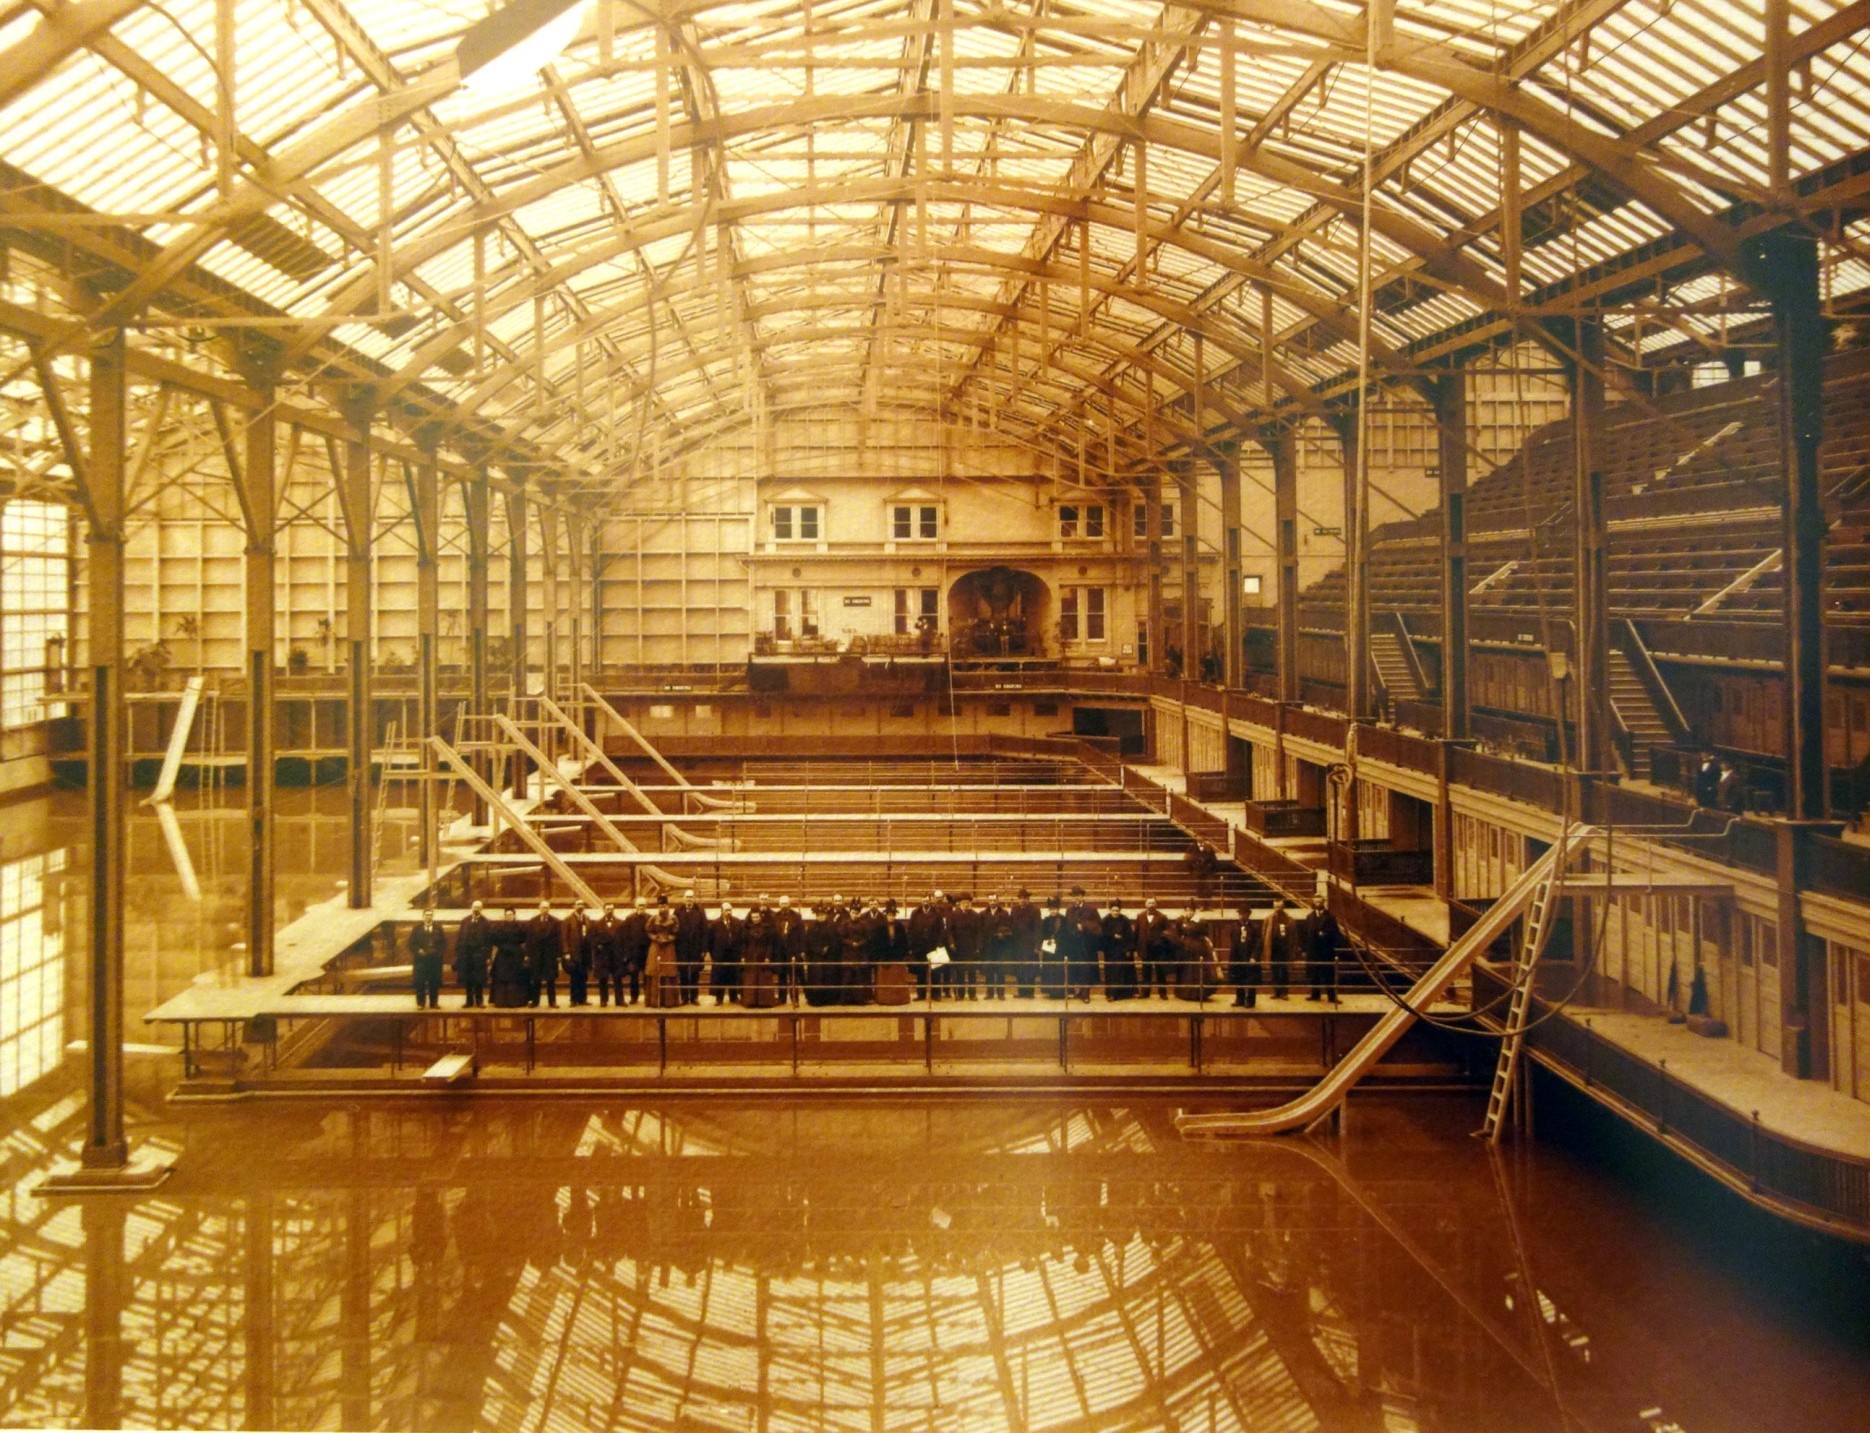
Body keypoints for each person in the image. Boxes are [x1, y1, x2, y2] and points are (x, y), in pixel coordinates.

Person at [908, 891, 950, 1001]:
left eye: (927, 900)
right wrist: (912, 946)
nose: (925, 902)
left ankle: (936, 994)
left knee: (935, 972)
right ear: (920, 901)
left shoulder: (937, 913)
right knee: (921, 972)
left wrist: (939, 944)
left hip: (933, 947)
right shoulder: (915, 913)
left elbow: (941, 931)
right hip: (919, 947)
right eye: (923, 900)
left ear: (930, 901)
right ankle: (921, 994)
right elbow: (910, 930)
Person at [490, 905, 530, 1007]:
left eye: (511, 914)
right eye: (507, 915)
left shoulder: (520, 927)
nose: (509, 916)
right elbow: (494, 939)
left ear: (514, 915)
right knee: (501, 977)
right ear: (504, 916)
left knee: (516, 977)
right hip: (502, 955)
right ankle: (501, 1001)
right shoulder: (499, 927)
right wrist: (503, 946)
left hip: (516, 955)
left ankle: (516, 1001)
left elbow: (525, 938)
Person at [525, 900, 562, 1008]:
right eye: (543, 907)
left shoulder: (555, 922)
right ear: (539, 908)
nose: (545, 909)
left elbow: (559, 939)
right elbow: (529, 939)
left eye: (547, 907)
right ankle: (535, 1001)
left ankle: (552, 1002)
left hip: (550, 956)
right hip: (536, 955)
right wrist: (527, 954)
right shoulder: (532, 922)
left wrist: (559, 955)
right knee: (536, 979)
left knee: (551, 980)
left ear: (549, 908)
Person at [1065, 888, 1102, 999]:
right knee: (1075, 969)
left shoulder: (1091, 909)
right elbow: (1067, 926)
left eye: (1079, 895)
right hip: (1074, 945)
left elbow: (1098, 926)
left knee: (1086, 969)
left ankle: (1086, 995)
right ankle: (1079, 992)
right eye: (1074, 896)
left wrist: (1084, 926)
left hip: (1086, 945)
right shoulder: (1069, 910)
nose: (1076, 898)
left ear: (1082, 896)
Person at [674, 888, 709, 1005]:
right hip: (682, 949)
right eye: (687, 897)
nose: (689, 899)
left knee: (695, 974)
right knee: (683, 973)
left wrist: (704, 949)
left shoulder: (700, 911)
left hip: (696, 948)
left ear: (694, 898)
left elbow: (705, 931)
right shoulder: (678, 911)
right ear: (684, 899)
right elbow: (674, 929)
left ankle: (694, 997)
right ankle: (684, 998)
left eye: (691, 897)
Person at [454, 900, 491, 1008]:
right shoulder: (465, 921)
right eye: (474, 906)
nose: (476, 909)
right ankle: (469, 1001)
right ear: (471, 907)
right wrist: (459, 954)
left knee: (479, 979)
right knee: (468, 979)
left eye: (478, 907)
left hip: (479, 956)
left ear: (481, 909)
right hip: (467, 956)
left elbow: (489, 941)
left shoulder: (486, 923)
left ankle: (479, 1001)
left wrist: (487, 956)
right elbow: (460, 938)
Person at [708, 900, 745, 1005]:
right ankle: (719, 998)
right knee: (720, 977)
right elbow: (710, 942)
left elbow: (742, 939)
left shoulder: (737, 922)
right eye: (726, 910)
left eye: (729, 910)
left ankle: (733, 997)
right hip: (720, 955)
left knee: (733, 976)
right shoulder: (715, 924)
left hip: (734, 954)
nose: (728, 912)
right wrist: (714, 955)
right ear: (721, 911)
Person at [408, 908, 447, 1009]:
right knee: (420, 982)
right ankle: (420, 1003)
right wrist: (418, 950)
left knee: (434, 982)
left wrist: (438, 953)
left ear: (432, 916)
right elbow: (411, 944)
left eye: (430, 915)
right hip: (421, 961)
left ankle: (434, 1003)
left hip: (434, 961)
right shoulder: (417, 929)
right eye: (426, 915)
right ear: (423, 916)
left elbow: (444, 943)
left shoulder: (438, 928)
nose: (428, 917)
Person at [1137, 898, 1175, 1000]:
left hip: (1159, 949)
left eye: (1153, 903)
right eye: (1149, 903)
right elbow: (1137, 933)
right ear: (1145, 904)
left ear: (1156, 904)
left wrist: (1162, 943)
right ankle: (1145, 993)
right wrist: (1138, 948)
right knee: (1145, 972)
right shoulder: (1140, 916)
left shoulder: (1162, 917)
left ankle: (1163, 993)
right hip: (1145, 949)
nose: (1151, 905)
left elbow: (1169, 932)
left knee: (1160, 972)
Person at [645, 893, 679, 1003]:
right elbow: (648, 931)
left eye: (664, 906)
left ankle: (670, 1001)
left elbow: (676, 932)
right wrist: (656, 938)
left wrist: (669, 939)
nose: (662, 908)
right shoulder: (653, 918)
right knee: (655, 971)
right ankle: (654, 1001)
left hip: (668, 948)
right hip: (656, 948)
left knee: (669, 970)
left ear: (668, 906)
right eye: (660, 906)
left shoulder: (673, 918)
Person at [586, 903, 623, 1007]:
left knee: (618, 978)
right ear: (604, 910)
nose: (609, 911)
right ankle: (603, 1000)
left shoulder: (620, 923)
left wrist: (623, 953)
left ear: (614, 910)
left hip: (616, 955)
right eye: (607, 909)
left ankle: (619, 1000)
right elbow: (591, 938)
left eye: (611, 909)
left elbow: (624, 939)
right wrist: (598, 945)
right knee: (603, 979)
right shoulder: (597, 924)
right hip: (603, 956)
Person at [1230, 902, 1265, 1008]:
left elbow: (1259, 944)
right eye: (1240, 914)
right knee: (1238, 978)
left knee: (1251, 979)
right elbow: (1232, 941)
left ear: (1248, 915)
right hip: (1238, 957)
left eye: (1243, 914)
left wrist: (1254, 957)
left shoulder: (1254, 927)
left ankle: (1250, 1000)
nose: (1241, 916)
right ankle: (1239, 999)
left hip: (1250, 957)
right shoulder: (1235, 926)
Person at [949, 894, 984, 1000]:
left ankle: (972, 994)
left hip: (971, 948)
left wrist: (978, 946)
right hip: (958, 948)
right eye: (964, 902)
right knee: (960, 972)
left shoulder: (975, 915)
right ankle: (960, 994)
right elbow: (950, 931)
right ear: (960, 903)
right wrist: (951, 943)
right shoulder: (953, 915)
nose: (966, 904)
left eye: (968, 902)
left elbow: (979, 933)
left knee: (972, 972)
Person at [1101, 898, 1137, 1000]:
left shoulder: (1125, 920)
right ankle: (1111, 994)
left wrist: (1128, 949)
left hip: (1123, 950)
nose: (1115, 912)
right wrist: (1112, 936)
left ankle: (1125, 994)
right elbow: (1102, 935)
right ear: (1110, 910)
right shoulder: (1105, 921)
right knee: (1112, 973)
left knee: (1124, 971)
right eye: (1113, 910)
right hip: (1111, 951)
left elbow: (1130, 935)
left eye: (1117, 910)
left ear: (1120, 910)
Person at [1306, 898, 1341, 1002]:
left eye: (1320, 902)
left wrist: (1325, 934)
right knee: (1314, 974)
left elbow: (1336, 934)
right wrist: (1305, 950)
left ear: (1323, 903)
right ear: (1313, 903)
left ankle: (1332, 997)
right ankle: (1315, 995)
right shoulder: (1309, 917)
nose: (1318, 903)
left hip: (1326, 951)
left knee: (1328, 974)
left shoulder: (1330, 917)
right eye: (1316, 902)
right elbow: (1305, 934)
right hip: (1313, 951)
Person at [619, 896, 651, 1005]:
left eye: (643, 905)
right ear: (635, 906)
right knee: (634, 977)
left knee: (648, 976)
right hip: (634, 954)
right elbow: (625, 937)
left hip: (647, 953)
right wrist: (627, 955)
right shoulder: (629, 919)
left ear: (646, 906)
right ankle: (634, 997)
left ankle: (648, 996)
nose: (641, 907)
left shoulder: (650, 918)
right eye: (639, 905)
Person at [1010, 888, 1042, 998]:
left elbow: (1038, 929)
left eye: (1025, 898)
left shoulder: (1035, 910)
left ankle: (1029, 992)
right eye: (1021, 898)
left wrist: (1037, 946)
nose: (1023, 900)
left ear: (1028, 899)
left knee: (1030, 969)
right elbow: (1012, 927)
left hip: (1030, 945)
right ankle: (1021, 991)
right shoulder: (1014, 909)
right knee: (1019, 968)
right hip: (1018, 945)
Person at [983, 895, 1015, 999]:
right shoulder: (983, 914)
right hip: (988, 947)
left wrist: (1002, 934)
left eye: (994, 900)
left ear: (998, 901)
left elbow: (1009, 928)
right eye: (990, 900)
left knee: (1001, 970)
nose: (992, 902)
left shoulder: (1004, 913)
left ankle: (1001, 993)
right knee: (989, 971)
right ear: (988, 901)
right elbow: (980, 931)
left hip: (1000, 946)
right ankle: (989, 993)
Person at [1038, 896, 1070, 999]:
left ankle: (1059, 992)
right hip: (1049, 950)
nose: (1053, 911)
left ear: (1058, 909)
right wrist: (1047, 940)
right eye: (1051, 909)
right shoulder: (1046, 920)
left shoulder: (1063, 920)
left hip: (1060, 949)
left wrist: (1058, 941)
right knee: (1049, 970)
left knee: (1059, 971)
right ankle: (1051, 991)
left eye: (1055, 909)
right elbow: (1042, 934)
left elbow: (1066, 934)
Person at [561, 905, 589, 1007]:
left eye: (582, 904)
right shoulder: (568, 920)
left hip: (584, 954)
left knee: (583, 976)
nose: (580, 906)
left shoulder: (587, 918)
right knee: (574, 977)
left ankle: (583, 999)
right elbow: (564, 938)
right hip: (574, 954)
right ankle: (573, 999)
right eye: (578, 904)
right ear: (574, 906)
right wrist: (566, 952)